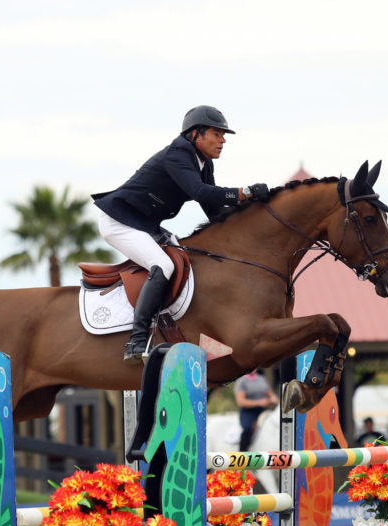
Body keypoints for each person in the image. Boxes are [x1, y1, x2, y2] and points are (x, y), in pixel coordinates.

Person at [92, 105, 271, 364]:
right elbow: (200, 192)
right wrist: (244, 192)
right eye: (217, 134)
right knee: (163, 265)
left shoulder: (203, 163)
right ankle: (136, 341)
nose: (223, 140)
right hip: (119, 221)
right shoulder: (178, 154)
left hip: (145, 224)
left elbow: (215, 213)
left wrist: (253, 212)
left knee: (188, 261)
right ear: (195, 135)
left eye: (224, 136)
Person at [234, 369, 278, 452]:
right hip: (248, 412)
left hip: (262, 411)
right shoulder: (242, 381)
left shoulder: (261, 379)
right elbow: (241, 402)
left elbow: (270, 393)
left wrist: (273, 398)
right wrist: (259, 402)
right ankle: (243, 452)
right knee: (247, 429)